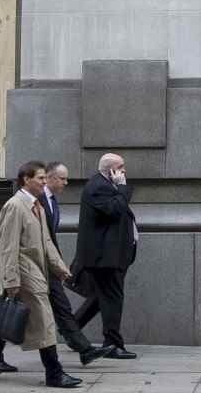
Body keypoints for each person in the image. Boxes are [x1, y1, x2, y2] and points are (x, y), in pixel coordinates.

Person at [0, 161, 84, 388]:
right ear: (26, 179)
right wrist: (11, 279)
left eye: (45, 179)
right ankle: (54, 373)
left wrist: (60, 268)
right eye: (41, 178)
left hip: (38, 270)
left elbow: (46, 242)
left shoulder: (38, 207)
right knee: (45, 320)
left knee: (10, 320)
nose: (45, 183)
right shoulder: (14, 206)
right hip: (24, 272)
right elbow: (7, 247)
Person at [40, 161, 113, 365]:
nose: (66, 182)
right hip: (34, 268)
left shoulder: (52, 200)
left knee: (62, 309)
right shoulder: (36, 200)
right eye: (62, 178)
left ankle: (84, 349)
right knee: (14, 313)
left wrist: (58, 266)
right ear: (50, 178)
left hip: (48, 267)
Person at [72, 153, 138, 359]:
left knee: (101, 298)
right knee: (112, 299)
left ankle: (71, 329)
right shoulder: (98, 186)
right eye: (121, 167)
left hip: (111, 256)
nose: (124, 171)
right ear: (111, 170)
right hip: (105, 259)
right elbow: (115, 210)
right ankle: (113, 344)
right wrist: (122, 187)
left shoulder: (104, 186)